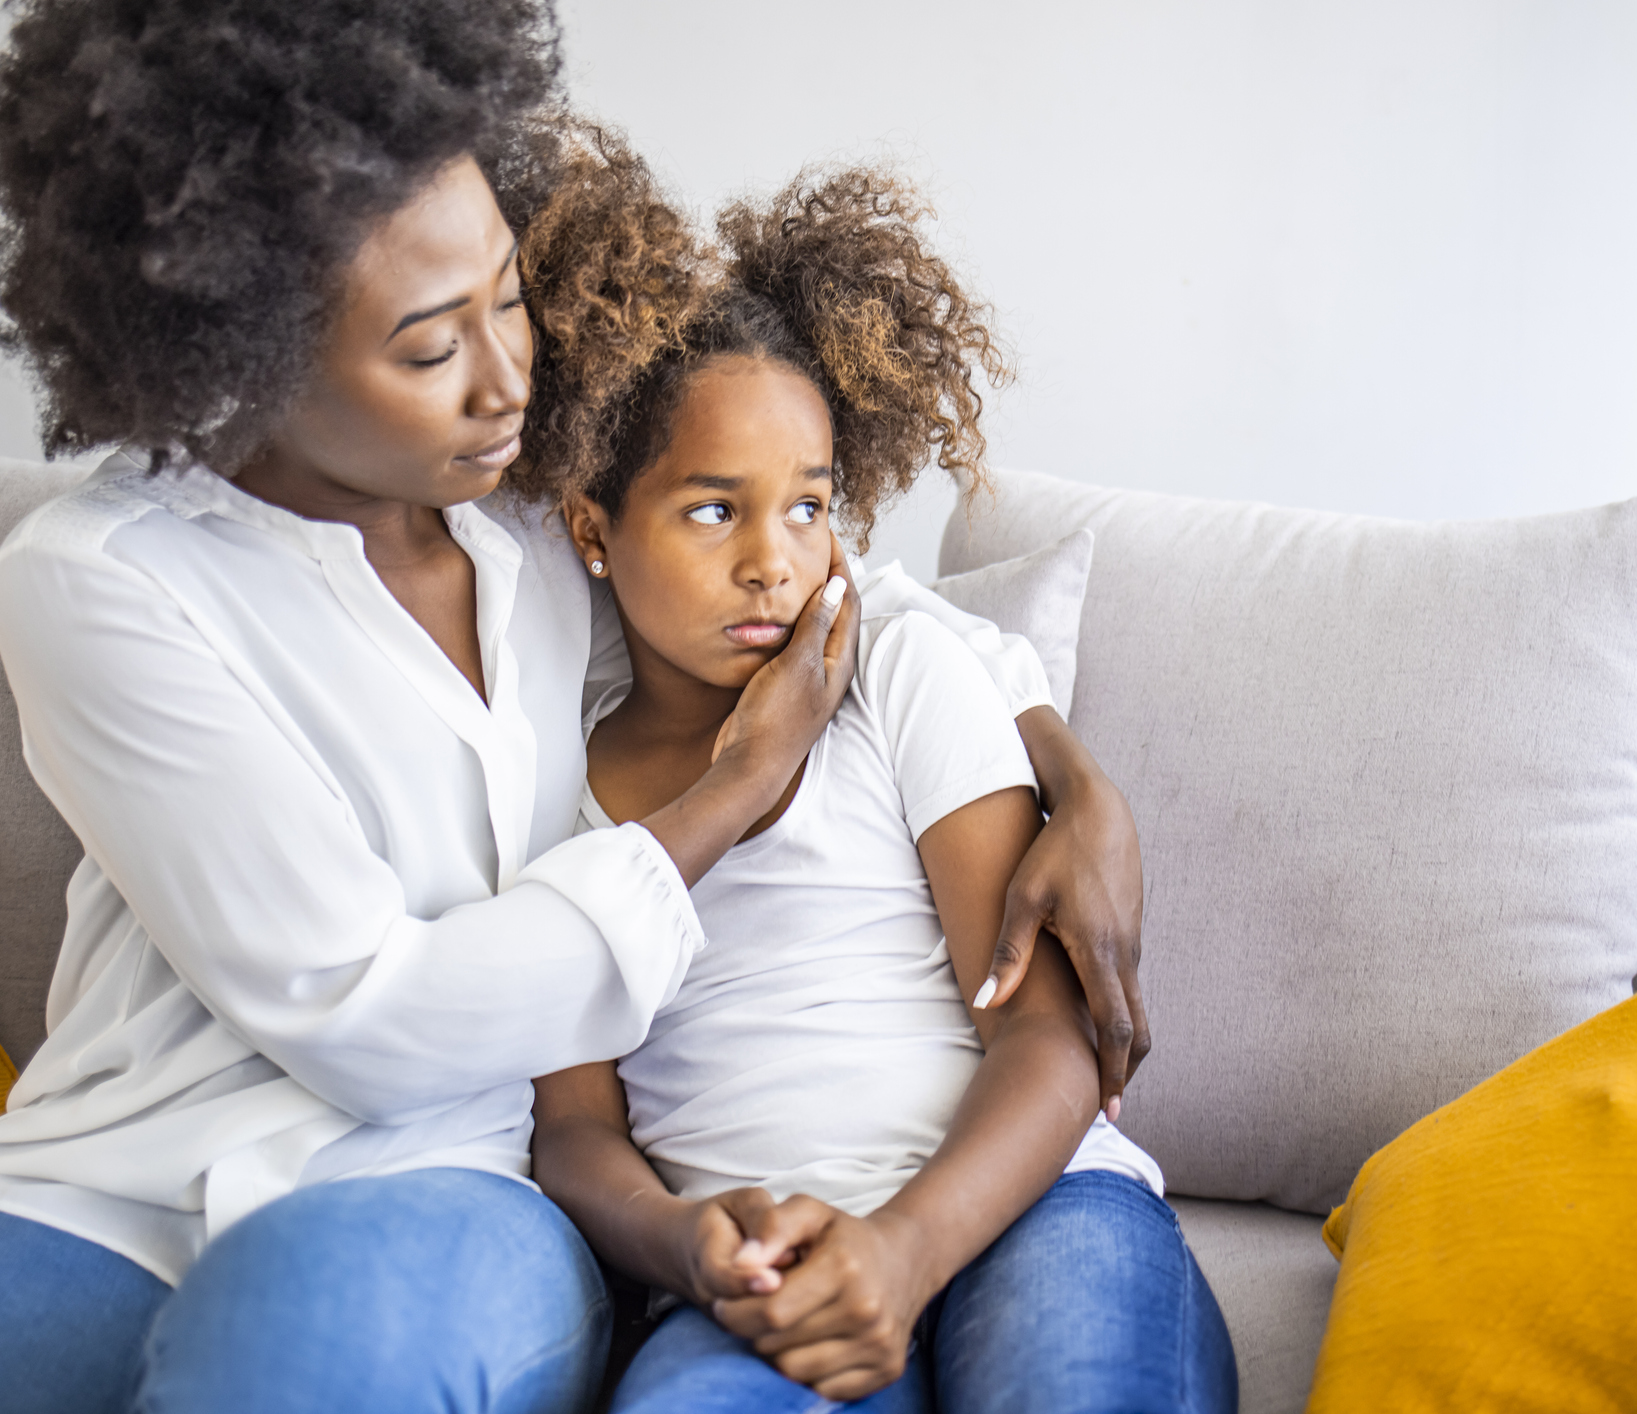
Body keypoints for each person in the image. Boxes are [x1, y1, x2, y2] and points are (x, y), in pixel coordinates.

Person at [0, 4, 1151, 1413]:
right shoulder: (98, 580)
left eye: (507, 295)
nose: (511, 376)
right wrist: (724, 801)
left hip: (446, 1169)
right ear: (240, 350)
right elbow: (365, 1016)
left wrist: (1065, 769)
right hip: (115, 1171)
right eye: (432, 345)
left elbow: (812, 573)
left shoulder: (534, 501)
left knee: (289, 1351)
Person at [520, 142, 1238, 1413]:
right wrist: (686, 1243)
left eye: (805, 506)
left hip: (1031, 1200)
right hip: (760, 1254)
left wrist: (904, 1248)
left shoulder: (896, 667)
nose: (770, 562)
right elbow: (574, 1128)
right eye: (709, 511)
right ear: (590, 527)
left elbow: (1041, 1028)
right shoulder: (545, 771)